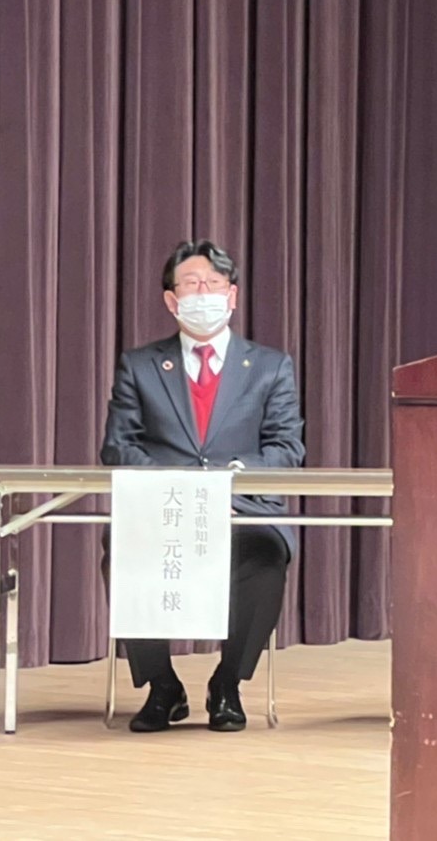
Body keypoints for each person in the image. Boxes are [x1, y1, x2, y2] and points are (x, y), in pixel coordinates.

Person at [100, 239, 304, 732]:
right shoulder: (140, 366)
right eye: (191, 284)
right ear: (172, 300)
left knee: (266, 557)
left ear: (232, 296)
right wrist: (180, 490)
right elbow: (119, 446)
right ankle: (162, 687)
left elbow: (286, 447)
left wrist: (226, 487)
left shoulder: (271, 366)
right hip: (164, 510)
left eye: (214, 284)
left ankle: (227, 684)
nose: (204, 293)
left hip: (243, 511)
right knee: (122, 549)